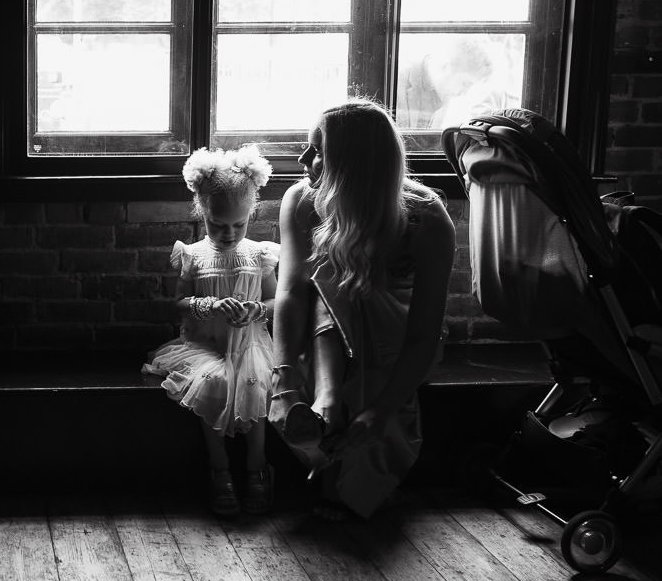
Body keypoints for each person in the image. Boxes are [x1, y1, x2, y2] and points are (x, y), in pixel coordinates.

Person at [268, 99, 455, 520]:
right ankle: (327, 401)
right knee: (326, 286)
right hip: (321, 334)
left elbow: (425, 333)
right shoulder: (301, 200)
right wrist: (282, 382)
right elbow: (292, 293)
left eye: (317, 151)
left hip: (395, 338)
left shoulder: (427, 220)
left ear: (353, 165)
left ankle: (333, 417)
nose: (302, 159)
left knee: (359, 308)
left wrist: (382, 410)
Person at [142, 145, 278, 517]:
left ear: (251, 213)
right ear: (203, 213)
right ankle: (219, 471)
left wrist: (255, 309)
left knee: (255, 384)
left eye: (239, 224)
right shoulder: (193, 254)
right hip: (205, 345)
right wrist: (211, 306)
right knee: (215, 382)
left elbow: (275, 301)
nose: (230, 233)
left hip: (249, 344)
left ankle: (257, 466)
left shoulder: (260, 254)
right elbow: (180, 301)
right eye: (219, 225)